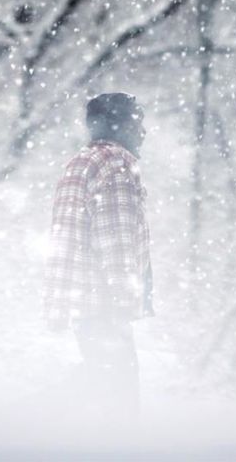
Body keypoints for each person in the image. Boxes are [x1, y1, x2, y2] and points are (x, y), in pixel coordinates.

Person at [43, 92, 154, 418]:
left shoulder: (81, 162)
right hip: (104, 302)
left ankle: (9, 431)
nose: (143, 132)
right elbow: (116, 239)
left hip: (80, 297)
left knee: (97, 383)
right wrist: (125, 301)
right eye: (137, 123)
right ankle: (7, 431)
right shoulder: (116, 165)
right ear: (116, 125)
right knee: (119, 395)